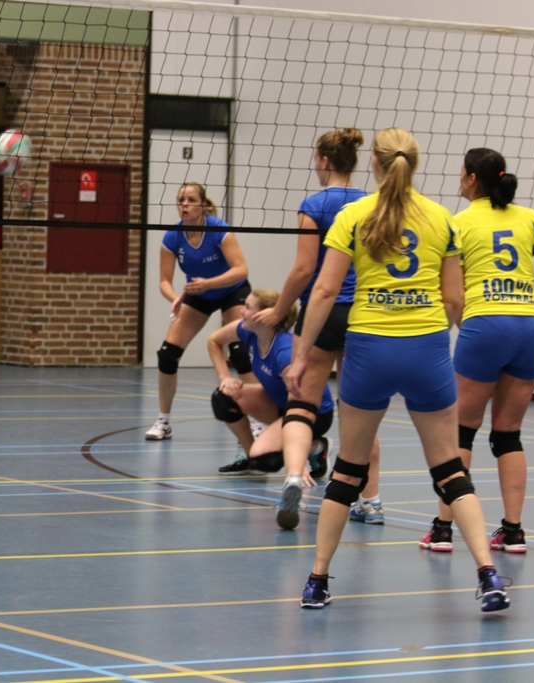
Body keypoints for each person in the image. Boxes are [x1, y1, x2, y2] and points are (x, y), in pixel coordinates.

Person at [287, 127, 509, 613]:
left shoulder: (352, 215)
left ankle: (317, 581)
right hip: (426, 349)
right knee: (449, 469)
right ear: (416, 162)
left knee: (348, 470)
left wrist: (300, 355)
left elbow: (323, 291)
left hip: (369, 351)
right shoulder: (441, 217)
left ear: (375, 163)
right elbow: (455, 299)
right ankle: (488, 575)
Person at [254, 128, 383, 529]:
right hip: (363, 312)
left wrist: (280, 309)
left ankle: (295, 475)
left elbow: (304, 268)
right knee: (360, 411)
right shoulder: (372, 203)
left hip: (323, 311)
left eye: (315, 159)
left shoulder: (314, 204)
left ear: (325, 161)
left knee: (301, 405)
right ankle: (371, 500)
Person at [419, 148, 534, 554]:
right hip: (531, 326)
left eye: (462, 173)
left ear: (472, 178)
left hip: (486, 323)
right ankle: (513, 531)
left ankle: (443, 529)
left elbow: (449, 290)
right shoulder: (529, 218)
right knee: (508, 435)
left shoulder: (458, 223)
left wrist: (464, 324)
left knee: (461, 432)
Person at [146, 182, 253, 441]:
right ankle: (164, 421)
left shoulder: (218, 230)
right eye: (181, 200)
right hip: (198, 294)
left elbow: (241, 270)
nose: (184, 204)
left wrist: (209, 283)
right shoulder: (173, 237)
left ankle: (257, 421)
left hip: (232, 291)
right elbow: (164, 281)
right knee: (167, 355)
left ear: (203, 205)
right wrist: (175, 299)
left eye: (191, 200)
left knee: (240, 354)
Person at [206, 289, 333, 477]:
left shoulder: (284, 353)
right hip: (278, 403)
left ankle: (315, 447)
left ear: (265, 317)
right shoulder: (249, 331)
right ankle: (251, 459)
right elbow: (214, 341)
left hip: (311, 414)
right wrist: (225, 377)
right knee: (223, 397)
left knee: (265, 460)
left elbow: (301, 403)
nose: (241, 311)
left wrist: (297, 462)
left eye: (248, 307)